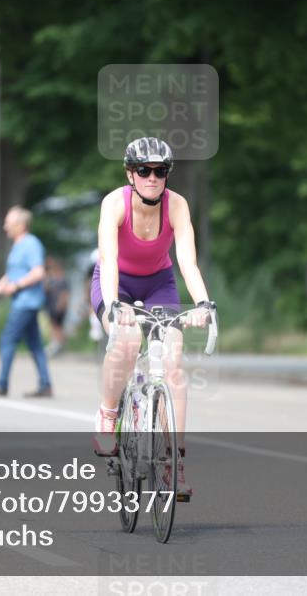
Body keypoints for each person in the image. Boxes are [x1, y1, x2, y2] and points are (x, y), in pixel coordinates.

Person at [91, 137, 213, 500]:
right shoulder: (114, 203)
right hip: (117, 283)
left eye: (160, 171)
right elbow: (109, 261)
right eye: (144, 170)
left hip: (160, 282)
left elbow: (188, 262)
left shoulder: (176, 206)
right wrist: (115, 305)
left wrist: (203, 304)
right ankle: (108, 414)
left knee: (173, 368)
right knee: (126, 342)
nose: (152, 178)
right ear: (130, 173)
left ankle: (172, 464)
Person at [0, 206, 53, 398]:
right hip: (22, 301)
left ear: (20, 225)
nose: (5, 227)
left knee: (7, 339)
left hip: (27, 302)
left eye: (8, 223)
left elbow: (38, 272)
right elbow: (9, 277)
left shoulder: (31, 244)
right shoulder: (17, 246)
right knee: (35, 344)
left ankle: (1, 384)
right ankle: (45, 385)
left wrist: (18, 286)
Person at [44, 257, 70, 357]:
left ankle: (59, 345)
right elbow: (45, 289)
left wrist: (61, 305)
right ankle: (55, 344)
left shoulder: (62, 280)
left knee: (57, 326)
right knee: (53, 326)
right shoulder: (51, 280)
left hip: (59, 307)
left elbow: (65, 294)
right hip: (51, 306)